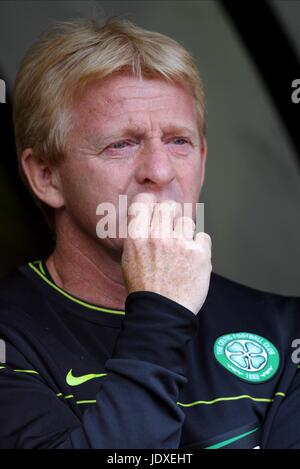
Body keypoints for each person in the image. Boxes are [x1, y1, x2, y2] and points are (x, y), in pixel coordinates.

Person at [0, 17, 299, 450]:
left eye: (180, 141)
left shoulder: (284, 330)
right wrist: (160, 315)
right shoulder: (12, 342)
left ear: (203, 157)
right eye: (121, 144)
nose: (159, 172)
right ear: (46, 176)